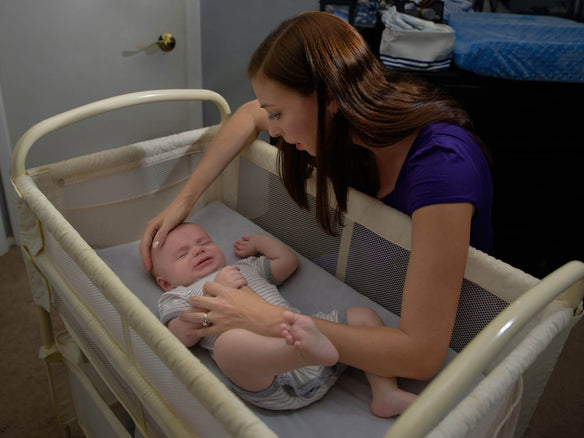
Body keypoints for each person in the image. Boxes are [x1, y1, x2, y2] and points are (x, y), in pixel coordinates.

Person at [140, 11, 492, 389]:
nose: (271, 129)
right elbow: (246, 116)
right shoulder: (353, 123)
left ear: (328, 99)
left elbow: (421, 356)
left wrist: (267, 320)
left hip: (450, 326)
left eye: (277, 114)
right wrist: (184, 202)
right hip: (379, 285)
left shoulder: (442, 165)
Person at [151, 221, 416, 415]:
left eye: (204, 242)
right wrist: (218, 292)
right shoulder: (180, 295)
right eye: (183, 254)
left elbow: (287, 261)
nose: (198, 250)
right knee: (227, 346)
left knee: (364, 317)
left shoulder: (242, 267)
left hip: (318, 343)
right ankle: (304, 353)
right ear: (166, 283)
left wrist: (258, 242)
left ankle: (385, 393)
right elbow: (180, 335)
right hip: (271, 378)